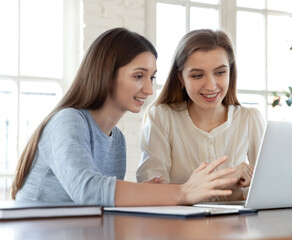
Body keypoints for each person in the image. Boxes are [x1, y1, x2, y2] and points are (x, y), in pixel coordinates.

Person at [10, 28, 238, 207]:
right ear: (106, 75)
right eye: (139, 76)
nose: (149, 90)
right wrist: (183, 191)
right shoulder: (68, 121)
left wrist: (150, 192)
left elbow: (101, 202)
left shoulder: (116, 138)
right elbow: (89, 192)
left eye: (152, 78)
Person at [137, 29, 265, 201]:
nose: (211, 86)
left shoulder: (249, 119)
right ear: (181, 78)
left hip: (238, 226)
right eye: (197, 75)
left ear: (231, 73)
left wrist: (251, 181)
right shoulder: (161, 118)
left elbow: (271, 189)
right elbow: (153, 192)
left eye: (220, 72)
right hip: (180, 227)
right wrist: (227, 179)